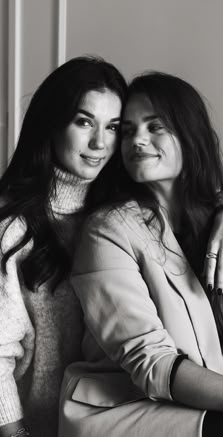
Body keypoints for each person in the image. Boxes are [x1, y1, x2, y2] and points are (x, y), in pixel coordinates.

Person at [60, 71, 223, 437]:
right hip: (125, 412)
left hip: (200, 402)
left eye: (155, 126)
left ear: (190, 135)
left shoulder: (220, 224)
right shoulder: (108, 229)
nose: (137, 139)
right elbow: (151, 361)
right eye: (127, 130)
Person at [0, 56, 127, 437]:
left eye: (113, 127)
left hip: (109, 425)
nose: (99, 143)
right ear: (52, 123)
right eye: (84, 121)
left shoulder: (122, 214)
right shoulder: (11, 222)